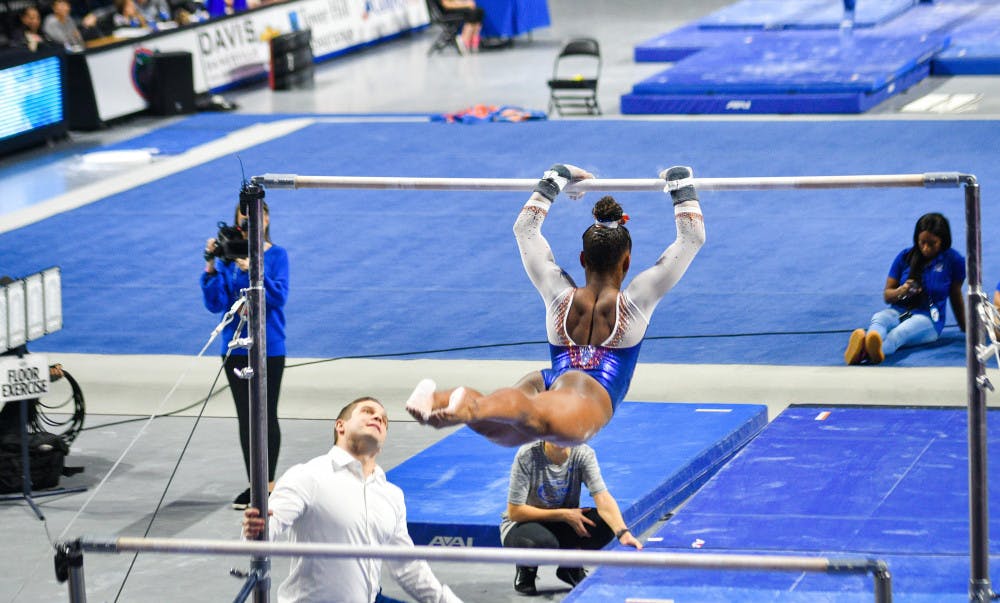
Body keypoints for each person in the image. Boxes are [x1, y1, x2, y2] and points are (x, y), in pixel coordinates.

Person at [406, 164, 705, 447]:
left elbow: (525, 230)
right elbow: (692, 237)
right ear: (626, 262)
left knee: (507, 434)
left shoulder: (558, 293)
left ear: (582, 260)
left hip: (548, 379)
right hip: (587, 394)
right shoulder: (637, 301)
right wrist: (678, 182)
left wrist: (557, 176)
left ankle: (444, 402)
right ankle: (468, 406)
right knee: (531, 421)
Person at [241, 397, 464, 603]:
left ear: (383, 441)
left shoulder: (391, 494)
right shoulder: (308, 476)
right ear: (340, 426)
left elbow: (406, 565)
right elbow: (263, 532)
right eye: (367, 411)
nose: (378, 417)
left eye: (384, 420)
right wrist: (255, 531)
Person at [201, 200, 289, 509]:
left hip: (269, 346)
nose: (251, 223)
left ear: (265, 220)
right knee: (246, 418)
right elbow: (215, 303)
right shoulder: (228, 256)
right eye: (245, 219)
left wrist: (253, 269)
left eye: (257, 217)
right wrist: (211, 265)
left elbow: (278, 297)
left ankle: (269, 482)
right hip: (235, 347)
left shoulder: (277, 255)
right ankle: (255, 485)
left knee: (266, 414)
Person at [501, 440, 641, 595]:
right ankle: (527, 566)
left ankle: (571, 566)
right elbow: (515, 512)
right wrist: (563, 514)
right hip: (525, 523)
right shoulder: (527, 454)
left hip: (564, 521)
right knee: (540, 542)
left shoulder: (582, 453)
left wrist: (623, 532)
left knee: (604, 525)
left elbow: (602, 497)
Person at [844, 212, 966, 365]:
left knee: (899, 333)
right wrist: (901, 291)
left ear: (943, 241)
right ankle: (870, 343)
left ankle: (864, 350)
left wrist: (965, 326)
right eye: (922, 242)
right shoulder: (905, 256)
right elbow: (887, 296)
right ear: (917, 239)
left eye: (932, 243)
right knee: (879, 318)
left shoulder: (954, 260)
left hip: (928, 319)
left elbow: (955, 295)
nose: (926, 248)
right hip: (902, 313)